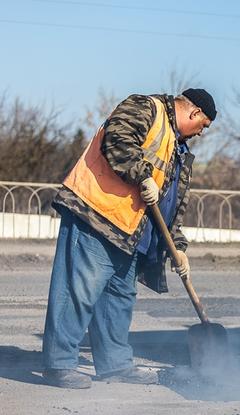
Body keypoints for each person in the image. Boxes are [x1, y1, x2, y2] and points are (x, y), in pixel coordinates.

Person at [41, 88, 216, 389]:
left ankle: (114, 364)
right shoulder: (146, 107)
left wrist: (179, 248)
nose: (201, 133)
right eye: (204, 126)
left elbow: (170, 204)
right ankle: (59, 364)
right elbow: (118, 139)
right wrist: (141, 174)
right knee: (77, 291)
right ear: (194, 113)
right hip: (97, 216)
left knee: (118, 299)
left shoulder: (178, 150)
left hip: (131, 232)